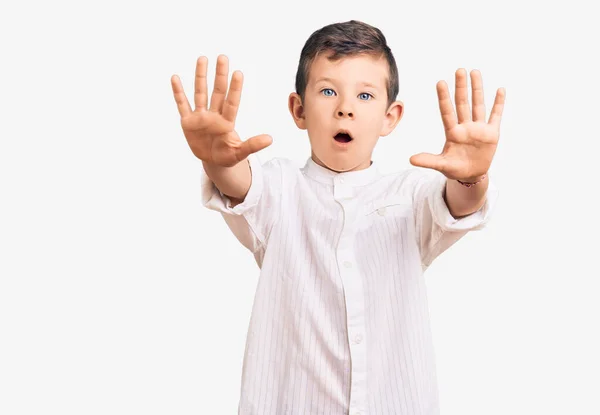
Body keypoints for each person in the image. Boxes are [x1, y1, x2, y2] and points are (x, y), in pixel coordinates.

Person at [171, 19, 505, 415]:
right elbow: (238, 185)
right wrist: (214, 159)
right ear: (299, 109)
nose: (345, 107)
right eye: (328, 91)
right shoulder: (280, 190)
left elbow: (458, 205)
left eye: (365, 96)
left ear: (390, 117)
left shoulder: (409, 196)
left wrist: (472, 176)